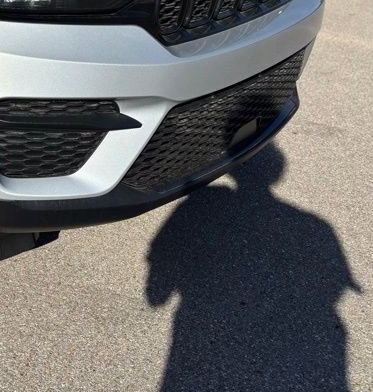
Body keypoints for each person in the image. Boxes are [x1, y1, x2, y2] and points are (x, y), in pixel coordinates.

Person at [146, 144, 359, 391]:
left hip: (200, 322)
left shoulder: (205, 199)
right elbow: (337, 281)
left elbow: (158, 274)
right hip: (317, 335)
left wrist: (158, 291)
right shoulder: (318, 226)